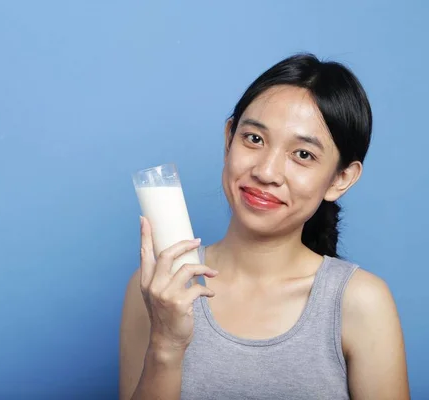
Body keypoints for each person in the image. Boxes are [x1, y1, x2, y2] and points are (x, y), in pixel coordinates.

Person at [119, 53, 410, 400]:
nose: (266, 172)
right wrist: (165, 345)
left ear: (341, 178)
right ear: (229, 138)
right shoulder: (156, 289)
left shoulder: (360, 302)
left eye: (303, 155)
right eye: (254, 139)